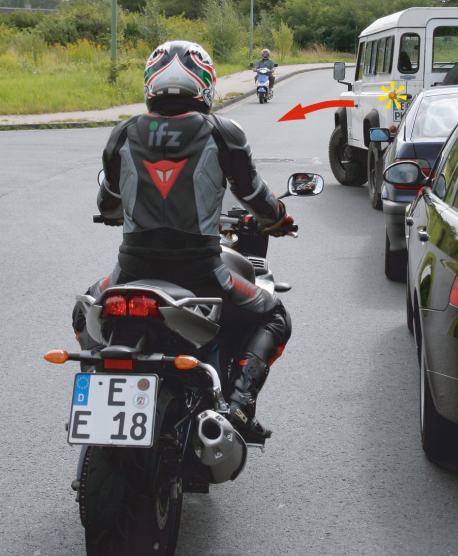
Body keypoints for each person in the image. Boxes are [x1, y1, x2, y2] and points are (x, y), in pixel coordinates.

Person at [72, 41, 294, 441]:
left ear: (150, 84)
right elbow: (254, 194)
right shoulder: (223, 132)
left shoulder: (123, 133)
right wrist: (279, 218)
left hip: (131, 271)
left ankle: (100, 376)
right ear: (206, 84)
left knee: (85, 307)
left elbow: (107, 203)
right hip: (204, 276)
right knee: (274, 314)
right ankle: (240, 404)